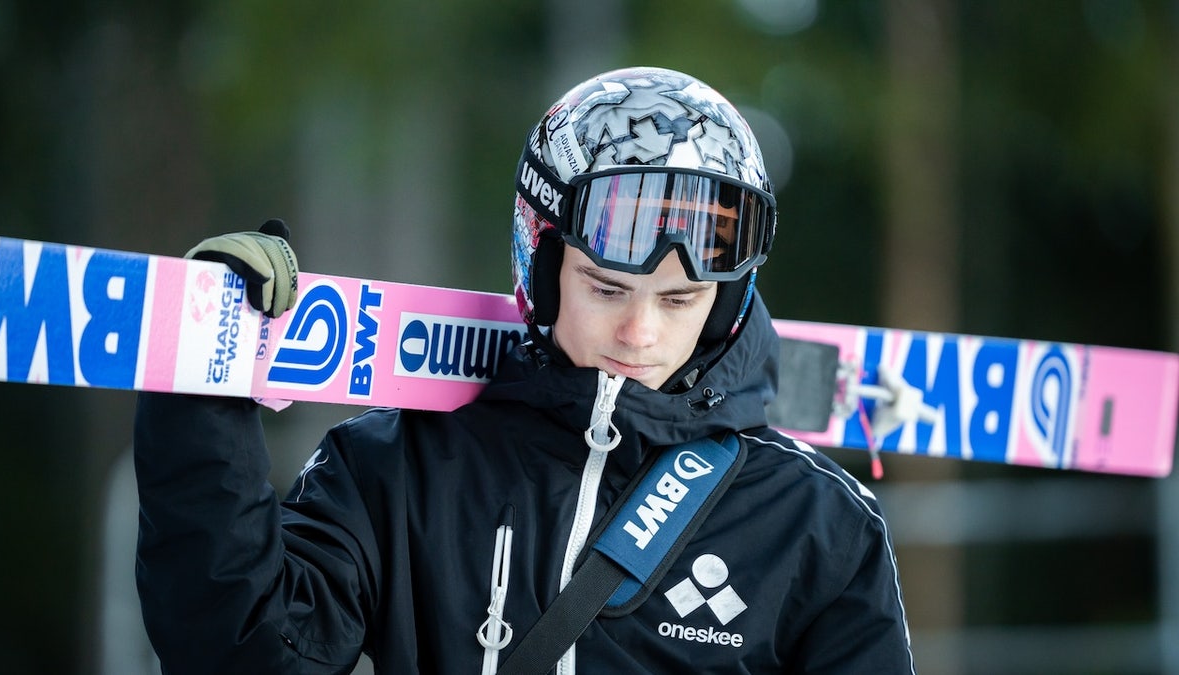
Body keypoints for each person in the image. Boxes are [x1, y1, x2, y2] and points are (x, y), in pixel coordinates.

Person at [134, 66, 916, 674]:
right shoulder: (403, 466)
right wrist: (205, 380)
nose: (641, 331)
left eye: (680, 299)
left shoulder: (817, 525)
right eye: (607, 288)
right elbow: (244, 652)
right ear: (539, 267)